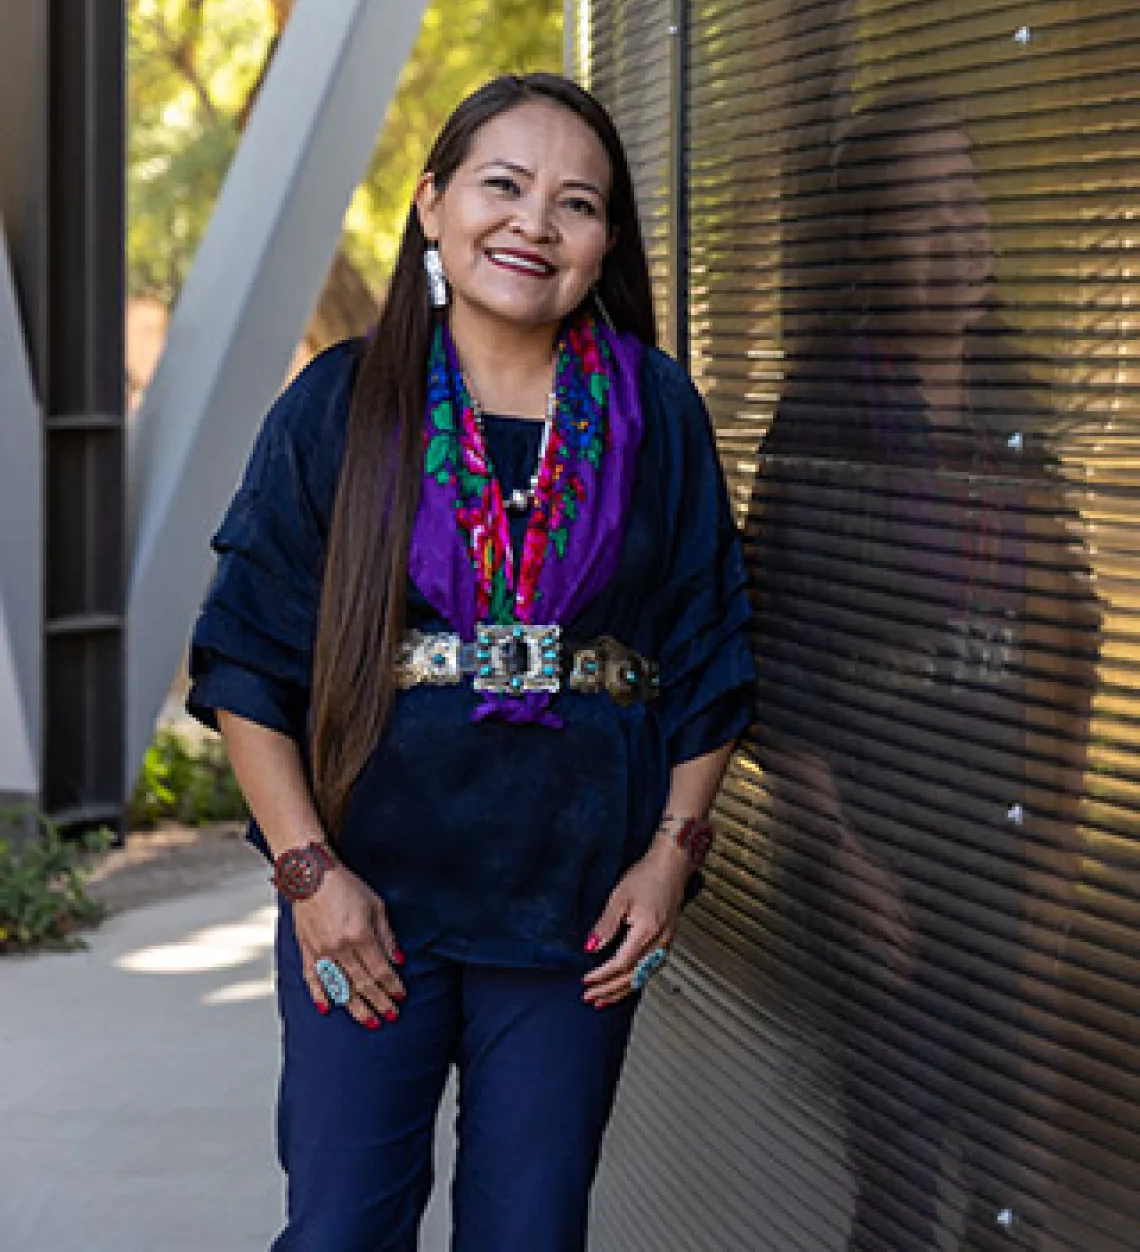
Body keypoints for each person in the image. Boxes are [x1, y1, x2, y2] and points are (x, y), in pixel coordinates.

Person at [187, 72, 755, 1252]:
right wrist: (309, 879)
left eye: (578, 203)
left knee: (531, 1231)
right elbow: (246, 658)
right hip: (367, 902)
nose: (535, 224)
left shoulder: (657, 413)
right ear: (432, 204)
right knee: (343, 1227)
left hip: (577, 911)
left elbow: (710, 652)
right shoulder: (341, 403)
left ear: (607, 242)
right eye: (503, 186)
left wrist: (669, 860)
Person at [747, 96, 1100, 1249]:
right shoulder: (821, 422)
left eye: (968, 201)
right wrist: (847, 865)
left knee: (1013, 1182)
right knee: (900, 1188)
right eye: (919, 213)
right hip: (878, 868)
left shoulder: (1017, 412)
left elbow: (1066, 648)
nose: (956, 236)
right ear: (869, 243)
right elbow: (782, 665)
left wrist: (1051, 859)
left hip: (1003, 858)